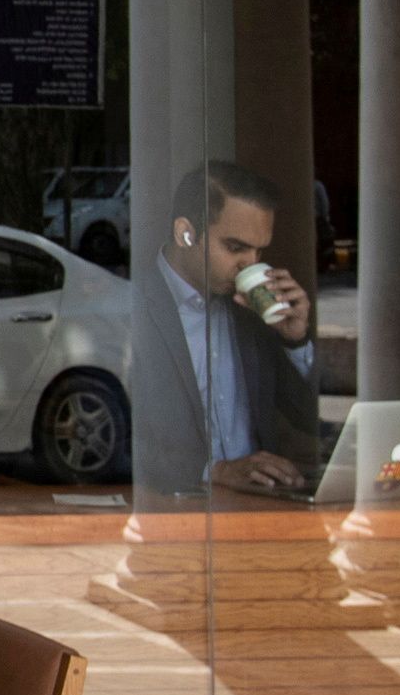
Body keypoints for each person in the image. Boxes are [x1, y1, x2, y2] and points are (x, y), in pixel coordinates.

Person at [134, 159, 322, 499]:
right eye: (235, 248)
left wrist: (294, 340)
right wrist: (216, 472)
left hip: (257, 507)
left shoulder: (253, 311)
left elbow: (309, 420)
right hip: (167, 515)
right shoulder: (132, 307)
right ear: (185, 233)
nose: (250, 265)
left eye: (259, 249)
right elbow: (119, 444)